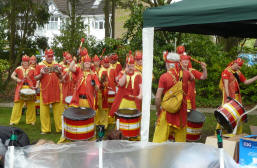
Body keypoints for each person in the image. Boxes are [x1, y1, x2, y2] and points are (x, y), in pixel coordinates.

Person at [153, 52, 194, 143]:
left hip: (167, 113)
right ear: (178, 63)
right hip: (181, 114)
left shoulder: (164, 77)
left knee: (158, 143)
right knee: (180, 146)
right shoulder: (186, 74)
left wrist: (158, 111)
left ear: (167, 64)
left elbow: (157, 98)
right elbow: (193, 78)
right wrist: (184, 69)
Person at [216, 58, 257, 134]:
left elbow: (246, 82)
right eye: (237, 65)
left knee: (238, 114)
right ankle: (220, 133)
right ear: (234, 63)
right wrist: (228, 98)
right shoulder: (226, 71)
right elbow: (226, 84)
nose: (238, 67)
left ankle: (237, 133)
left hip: (237, 96)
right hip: (228, 96)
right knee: (225, 114)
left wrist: (256, 77)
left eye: (240, 66)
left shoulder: (238, 72)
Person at [35, 49, 64, 134]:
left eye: (52, 56)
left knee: (58, 112)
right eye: (49, 56)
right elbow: (36, 78)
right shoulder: (40, 65)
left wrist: (59, 72)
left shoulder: (57, 64)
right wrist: (41, 73)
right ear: (45, 56)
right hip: (45, 91)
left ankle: (60, 129)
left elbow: (61, 77)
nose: (50, 58)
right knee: (44, 112)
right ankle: (45, 130)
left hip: (56, 91)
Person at [10, 55, 36, 126]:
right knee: (17, 104)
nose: (25, 63)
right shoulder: (18, 68)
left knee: (31, 104)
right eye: (24, 62)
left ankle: (31, 121)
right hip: (20, 88)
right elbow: (12, 75)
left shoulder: (32, 69)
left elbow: (36, 78)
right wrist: (17, 79)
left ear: (28, 62)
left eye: (27, 62)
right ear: (22, 62)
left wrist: (35, 85)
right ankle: (13, 121)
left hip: (29, 88)